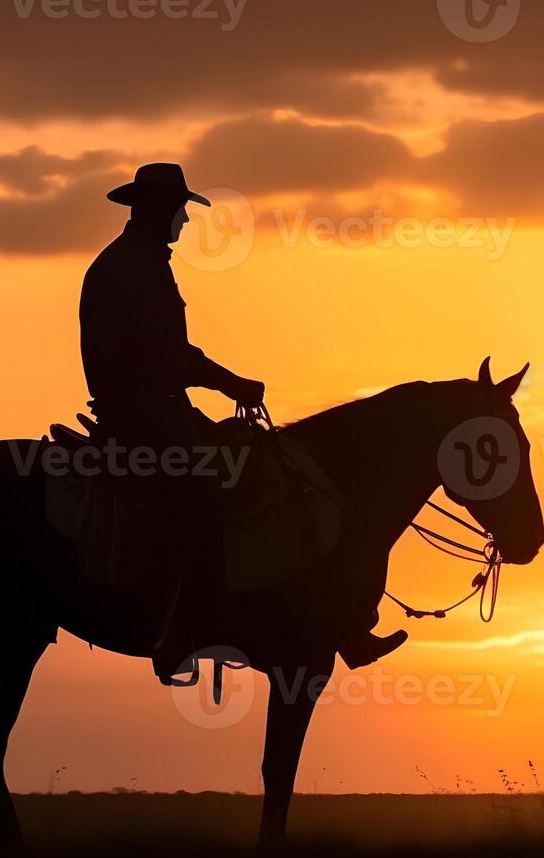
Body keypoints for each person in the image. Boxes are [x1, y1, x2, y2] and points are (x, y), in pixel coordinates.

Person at [80, 163, 406, 684]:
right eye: (181, 211)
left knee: (252, 468)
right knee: (202, 497)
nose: (185, 221)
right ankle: (182, 631)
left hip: (155, 411)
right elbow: (172, 357)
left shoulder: (131, 263)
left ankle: (333, 625)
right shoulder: (135, 268)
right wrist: (234, 384)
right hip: (144, 417)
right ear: (161, 211)